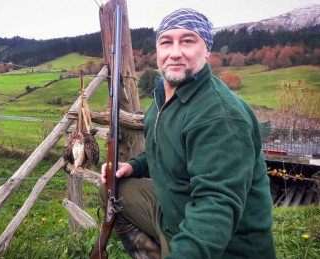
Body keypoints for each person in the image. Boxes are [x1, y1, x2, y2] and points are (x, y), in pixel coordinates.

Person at [99, 8, 276, 259]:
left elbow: (214, 208)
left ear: (207, 50)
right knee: (112, 188)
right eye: (166, 42)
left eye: (188, 41)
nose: (174, 53)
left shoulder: (219, 116)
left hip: (226, 247)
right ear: (157, 51)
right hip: (175, 217)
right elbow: (165, 149)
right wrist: (134, 166)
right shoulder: (164, 97)